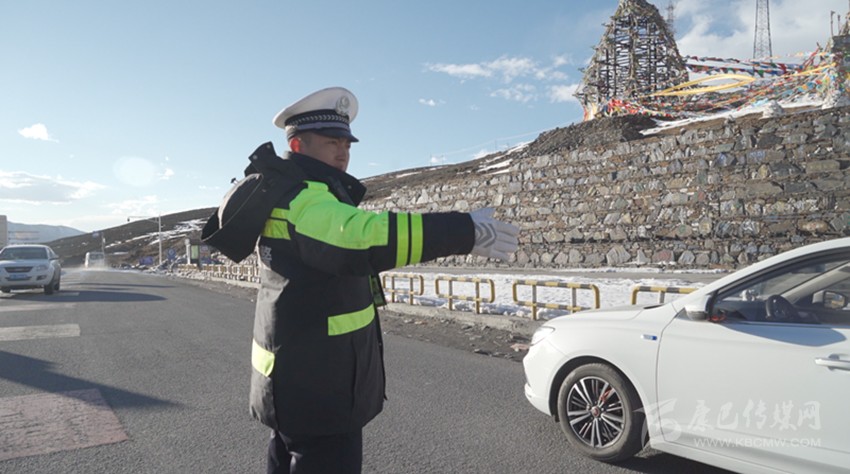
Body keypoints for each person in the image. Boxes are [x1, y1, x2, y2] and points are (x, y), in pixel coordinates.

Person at [247, 87, 519, 473]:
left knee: (287, 453)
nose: (343, 152)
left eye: (346, 144)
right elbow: (362, 237)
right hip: (319, 387)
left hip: (300, 378)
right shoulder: (304, 198)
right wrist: (463, 232)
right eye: (331, 143)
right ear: (297, 144)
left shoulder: (295, 191)